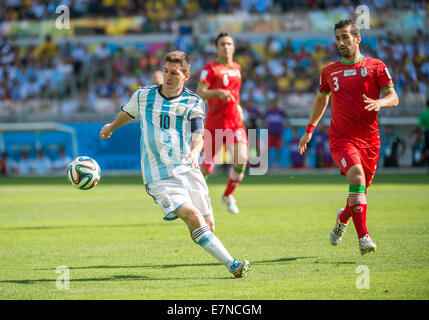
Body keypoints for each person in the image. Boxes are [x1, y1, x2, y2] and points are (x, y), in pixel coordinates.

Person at [99, 50, 250, 278]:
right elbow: (127, 114)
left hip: (188, 170)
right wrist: (111, 127)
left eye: (175, 73)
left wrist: (195, 150)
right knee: (193, 217)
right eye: (166, 71)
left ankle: (201, 236)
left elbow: (198, 133)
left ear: (186, 75)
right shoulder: (143, 96)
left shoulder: (193, 102)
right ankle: (233, 265)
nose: (168, 77)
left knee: (208, 226)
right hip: (158, 176)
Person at [298, 19, 399, 255]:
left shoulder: (376, 66)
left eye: (345, 37)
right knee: (356, 176)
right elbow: (322, 99)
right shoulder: (329, 71)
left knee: (359, 191)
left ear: (357, 38)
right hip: (341, 139)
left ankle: (342, 218)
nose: (341, 42)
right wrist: (309, 130)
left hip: (371, 142)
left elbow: (393, 96)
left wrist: (380, 102)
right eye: (337, 38)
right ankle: (364, 238)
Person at [196, 32, 248, 215]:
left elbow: (234, 93)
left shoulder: (237, 67)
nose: (226, 47)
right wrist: (218, 92)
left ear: (233, 47)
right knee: (207, 167)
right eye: (222, 44)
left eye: (229, 44)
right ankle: (192, 197)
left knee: (241, 159)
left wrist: (238, 107)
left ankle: (227, 195)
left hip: (234, 120)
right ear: (217, 47)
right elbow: (200, 91)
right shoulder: (210, 68)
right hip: (215, 122)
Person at [264, 101, 287, 167]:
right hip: (270, 133)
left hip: (278, 133)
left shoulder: (280, 112)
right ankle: (267, 163)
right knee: (268, 148)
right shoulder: (268, 112)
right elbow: (263, 118)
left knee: (277, 149)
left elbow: (286, 118)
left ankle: (276, 163)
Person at [418, 99, 429, 166]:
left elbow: (419, 125)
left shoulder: (424, 113)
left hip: (428, 132)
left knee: (427, 149)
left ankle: (425, 163)